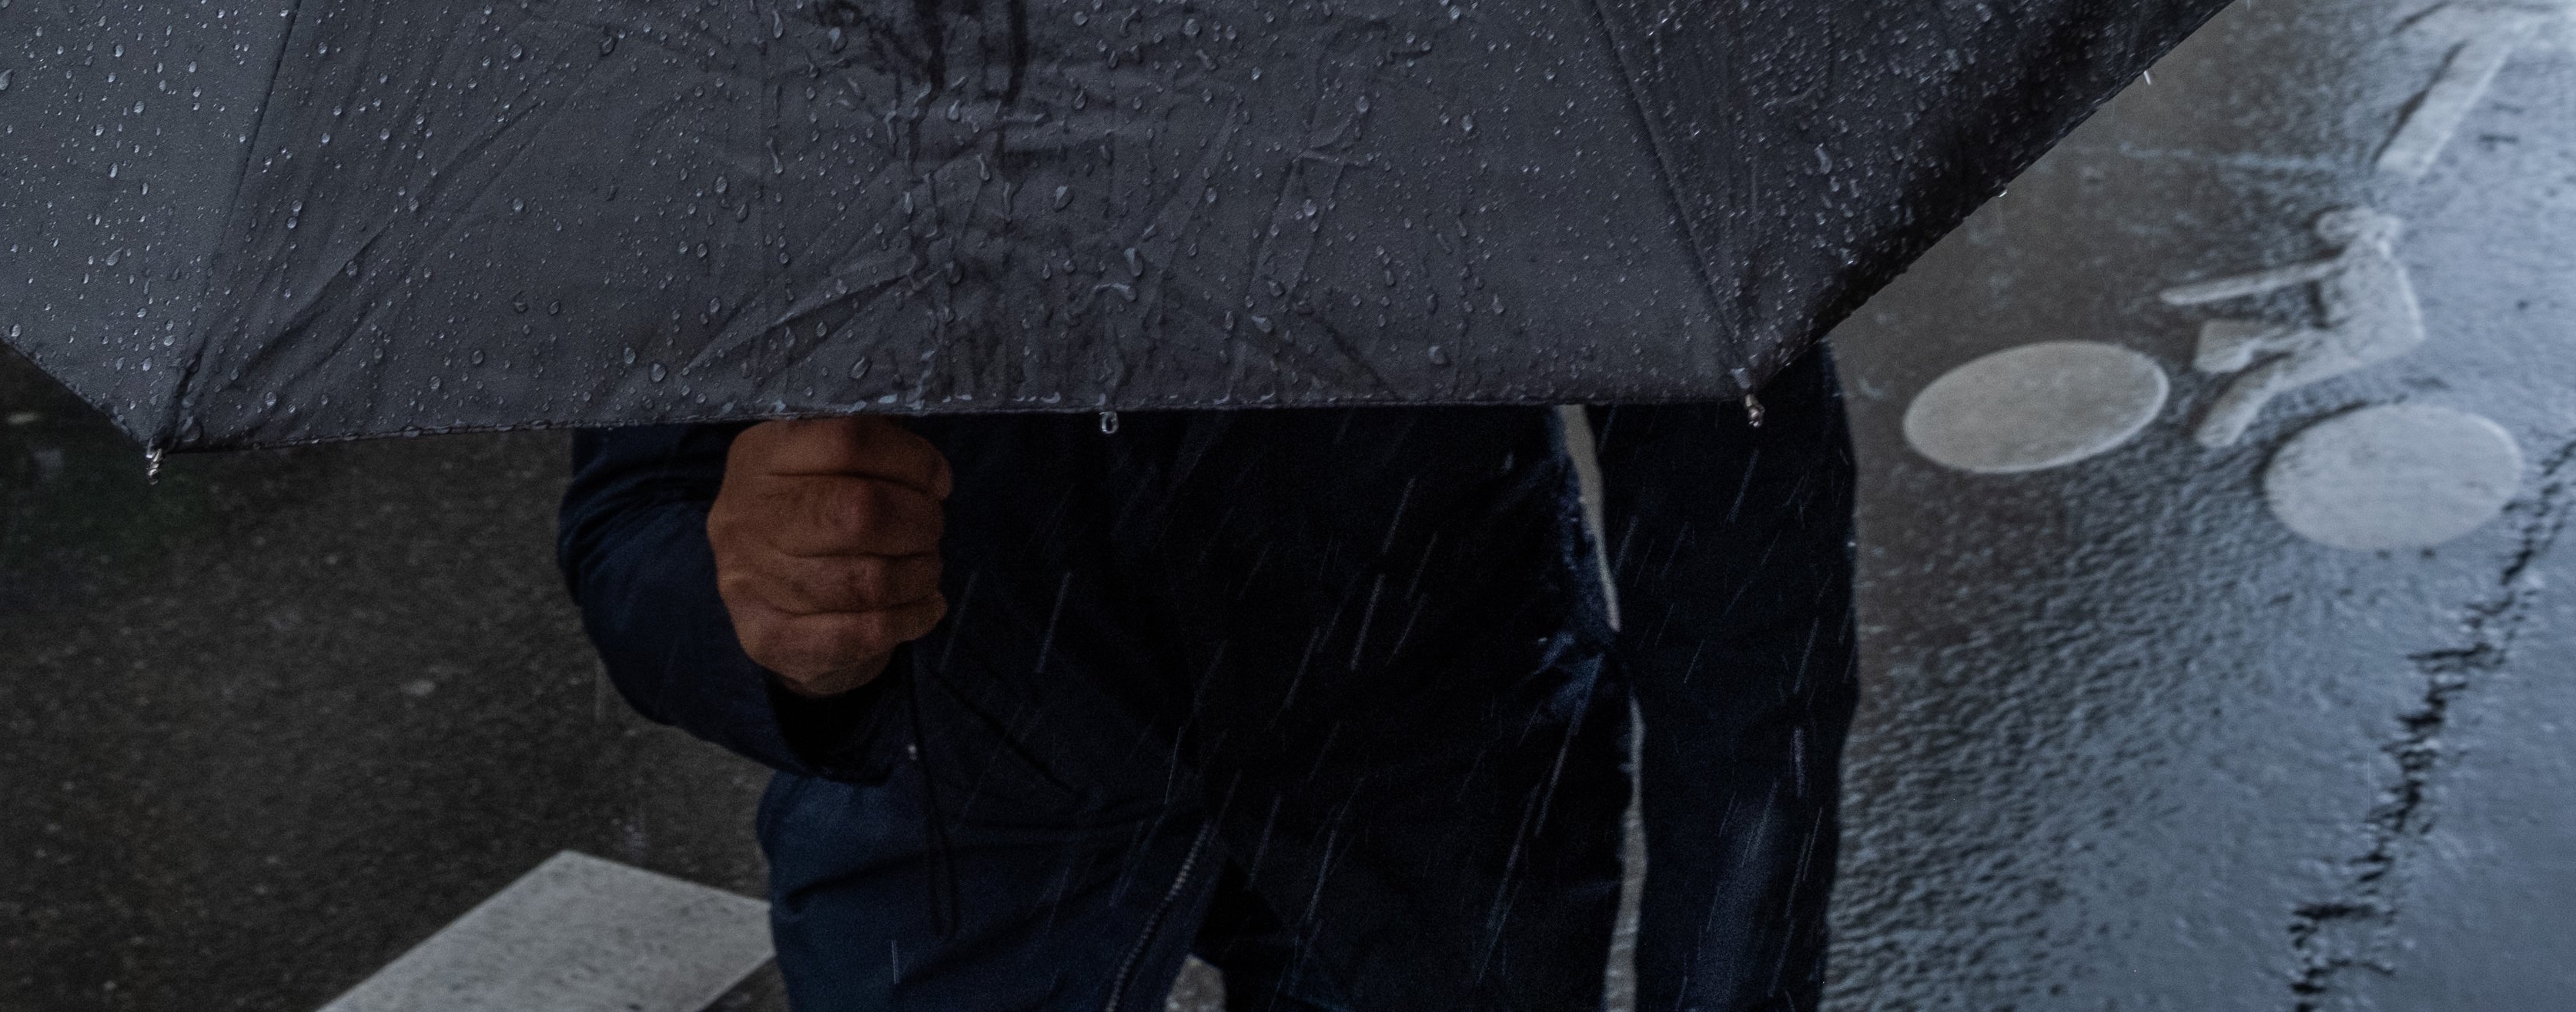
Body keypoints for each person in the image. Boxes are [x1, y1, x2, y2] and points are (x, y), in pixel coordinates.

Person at [559, 358, 1858, 1010]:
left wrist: (1728, 979)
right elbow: (632, 511)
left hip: (1443, 800)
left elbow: (1735, 502)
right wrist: (752, 598)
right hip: (949, 832)